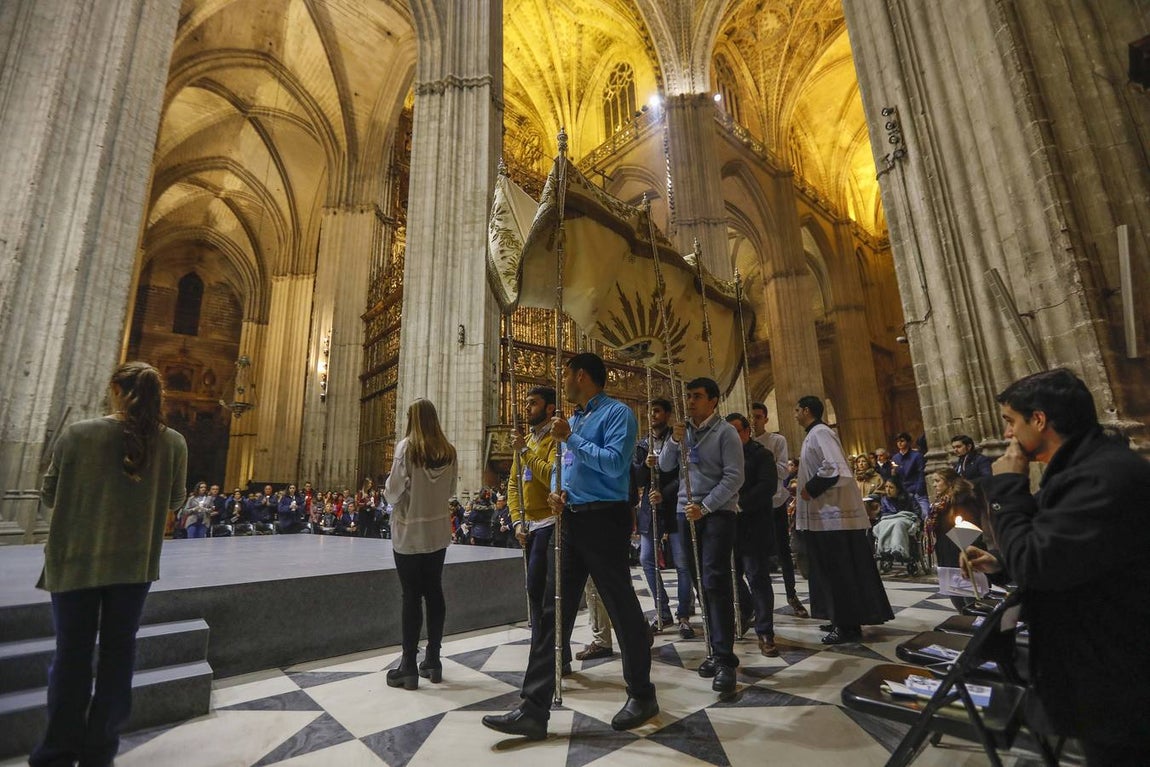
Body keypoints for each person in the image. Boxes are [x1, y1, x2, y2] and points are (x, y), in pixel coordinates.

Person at [961, 369, 1150, 766]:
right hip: (1098, 662)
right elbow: (1066, 554)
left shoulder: (1103, 476)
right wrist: (1001, 563)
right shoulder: (1080, 468)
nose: (1009, 435)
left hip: (1115, 672)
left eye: (1011, 422)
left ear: (1040, 419)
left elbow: (1039, 564)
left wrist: (1007, 489)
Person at [483, 353, 657, 739]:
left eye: (565, 376)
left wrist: (570, 437)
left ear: (581, 375)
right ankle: (533, 708)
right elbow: (566, 468)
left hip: (605, 519)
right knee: (550, 611)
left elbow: (614, 465)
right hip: (571, 519)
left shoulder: (617, 415)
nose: (562, 383)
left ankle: (642, 694)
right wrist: (561, 492)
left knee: (620, 605)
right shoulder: (573, 418)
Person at [29, 362, 188, 767]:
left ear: (116, 389)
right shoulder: (174, 443)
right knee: (119, 656)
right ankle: (100, 753)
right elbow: (175, 502)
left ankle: (56, 753)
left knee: (71, 656)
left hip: (75, 561)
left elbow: (49, 496)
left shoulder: (78, 434)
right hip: (134, 565)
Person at [659, 377, 744, 694]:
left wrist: (705, 507)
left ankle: (725, 660)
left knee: (714, 581)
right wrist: (672, 440)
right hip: (686, 513)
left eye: (696, 396)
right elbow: (667, 467)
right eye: (687, 396)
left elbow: (735, 476)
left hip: (717, 514)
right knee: (698, 582)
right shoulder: (684, 432)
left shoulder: (726, 433)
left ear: (713, 401)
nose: (690, 401)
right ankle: (713, 649)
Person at [794, 395, 893, 644]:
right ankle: (839, 617)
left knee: (839, 572)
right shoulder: (814, 433)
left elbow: (833, 466)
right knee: (829, 571)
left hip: (833, 517)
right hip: (825, 517)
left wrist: (810, 489)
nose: (795, 414)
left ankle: (847, 625)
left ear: (806, 410)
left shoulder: (820, 433)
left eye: (797, 410)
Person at [383, 398, 458, 690]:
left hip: (409, 533)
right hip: (437, 532)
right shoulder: (448, 451)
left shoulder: (407, 448)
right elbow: (451, 490)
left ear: (413, 419)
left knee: (411, 595)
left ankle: (408, 666)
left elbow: (392, 491)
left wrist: (394, 496)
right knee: (434, 591)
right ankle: (434, 660)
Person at [506, 386, 564, 670]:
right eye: (526, 403)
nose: (527, 408)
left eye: (533, 403)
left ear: (550, 408)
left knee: (544, 592)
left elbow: (552, 476)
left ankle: (550, 654)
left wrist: (526, 452)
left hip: (549, 524)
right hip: (528, 526)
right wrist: (517, 520)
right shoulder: (526, 441)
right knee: (533, 592)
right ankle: (543, 651)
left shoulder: (555, 440)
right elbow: (514, 485)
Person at [632, 397, 694, 636]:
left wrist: (664, 494)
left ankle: (684, 614)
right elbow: (636, 479)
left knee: (682, 562)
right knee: (646, 559)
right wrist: (644, 467)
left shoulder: (678, 439)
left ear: (667, 414)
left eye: (657, 411)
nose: (652, 416)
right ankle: (663, 609)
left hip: (674, 505)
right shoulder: (642, 444)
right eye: (650, 412)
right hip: (650, 507)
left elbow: (684, 474)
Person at [726, 413, 779, 657]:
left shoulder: (761, 454)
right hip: (729, 527)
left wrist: (739, 504)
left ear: (747, 431)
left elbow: (767, 486)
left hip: (753, 524)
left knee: (757, 577)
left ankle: (765, 631)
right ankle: (747, 610)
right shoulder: (723, 456)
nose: (733, 437)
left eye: (737, 431)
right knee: (731, 576)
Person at [751, 402, 807, 618]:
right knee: (758, 557)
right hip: (754, 506)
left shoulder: (776, 440)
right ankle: (760, 604)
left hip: (775, 502)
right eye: (752, 417)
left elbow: (783, 471)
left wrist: (761, 464)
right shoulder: (745, 444)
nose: (755, 420)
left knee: (783, 552)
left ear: (765, 419)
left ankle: (792, 595)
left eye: (758, 416)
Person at [873, 476, 920, 565]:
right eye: (886, 487)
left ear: (898, 489)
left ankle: (899, 550)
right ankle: (884, 550)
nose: (888, 490)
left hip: (905, 519)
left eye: (891, 487)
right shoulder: (884, 500)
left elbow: (917, 512)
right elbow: (883, 513)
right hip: (889, 519)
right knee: (883, 524)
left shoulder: (909, 497)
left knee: (898, 523)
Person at [892, 432, 928, 517]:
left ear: (908, 442)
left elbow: (921, 473)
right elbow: (896, 476)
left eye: (902, 441)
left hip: (917, 490)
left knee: (925, 514)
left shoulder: (917, 455)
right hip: (904, 492)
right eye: (897, 441)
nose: (899, 443)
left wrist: (919, 489)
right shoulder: (895, 458)